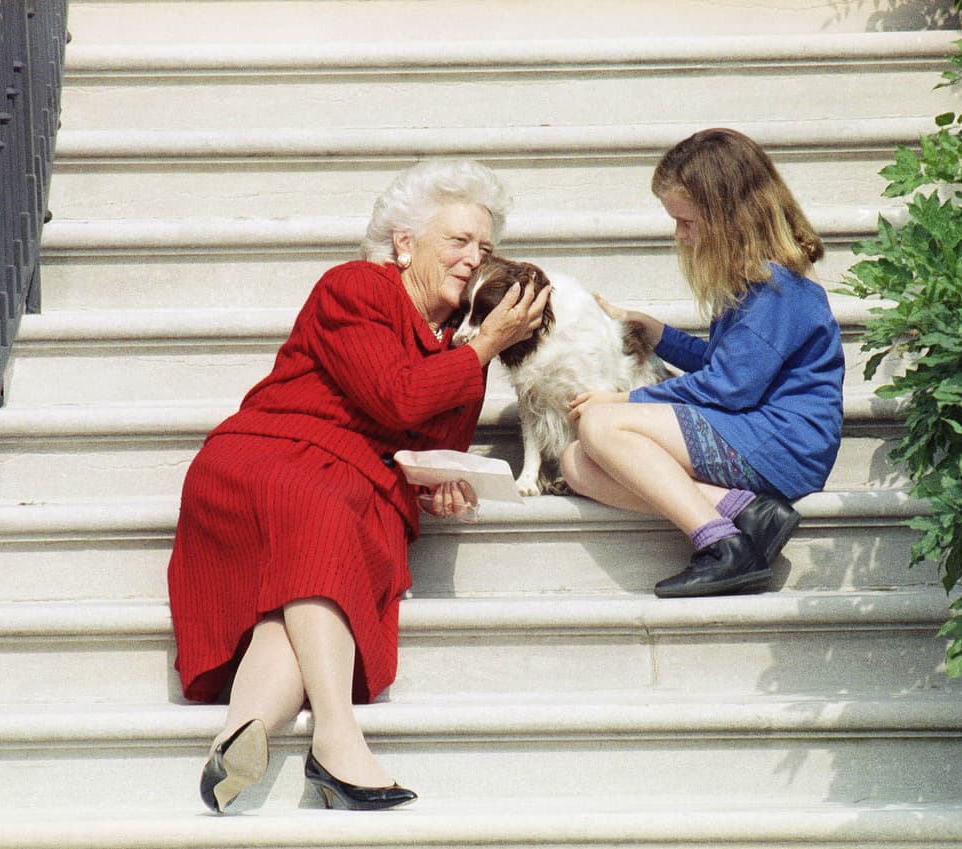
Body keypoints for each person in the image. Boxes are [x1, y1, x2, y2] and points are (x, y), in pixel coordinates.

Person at [167, 159, 550, 813]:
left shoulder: (456, 345)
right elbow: (397, 400)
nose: (473, 258)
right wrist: (486, 344)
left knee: (294, 594)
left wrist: (444, 486)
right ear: (405, 243)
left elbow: (428, 448)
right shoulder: (358, 288)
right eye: (457, 240)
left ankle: (242, 729)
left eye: (484, 248)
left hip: (348, 491)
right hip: (269, 459)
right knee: (323, 516)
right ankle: (337, 736)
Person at [562, 128, 845, 598]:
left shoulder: (779, 287)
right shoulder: (758, 282)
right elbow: (730, 366)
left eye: (687, 221)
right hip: (756, 433)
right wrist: (660, 337)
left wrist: (625, 398)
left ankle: (725, 548)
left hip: (783, 443)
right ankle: (748, 513)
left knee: (602, 426)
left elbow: (730, 387)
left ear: (731, 215)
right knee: (576, 464)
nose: (680, 235)